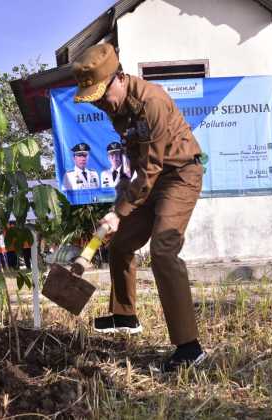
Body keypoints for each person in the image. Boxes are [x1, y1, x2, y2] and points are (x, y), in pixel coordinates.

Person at [72, 44, 205, 372]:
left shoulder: (151, 101)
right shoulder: (117, 107)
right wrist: (118, 206)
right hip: (150, 178)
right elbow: (136, 163)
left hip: (179, 174)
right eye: (96, 100)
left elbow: (152, 167)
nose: (102, 105)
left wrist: (120, 211)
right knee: (120, 243)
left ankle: (190, 348)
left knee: (162, 251)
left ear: (118, 78)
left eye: (103, 96)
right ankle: (124, 315)